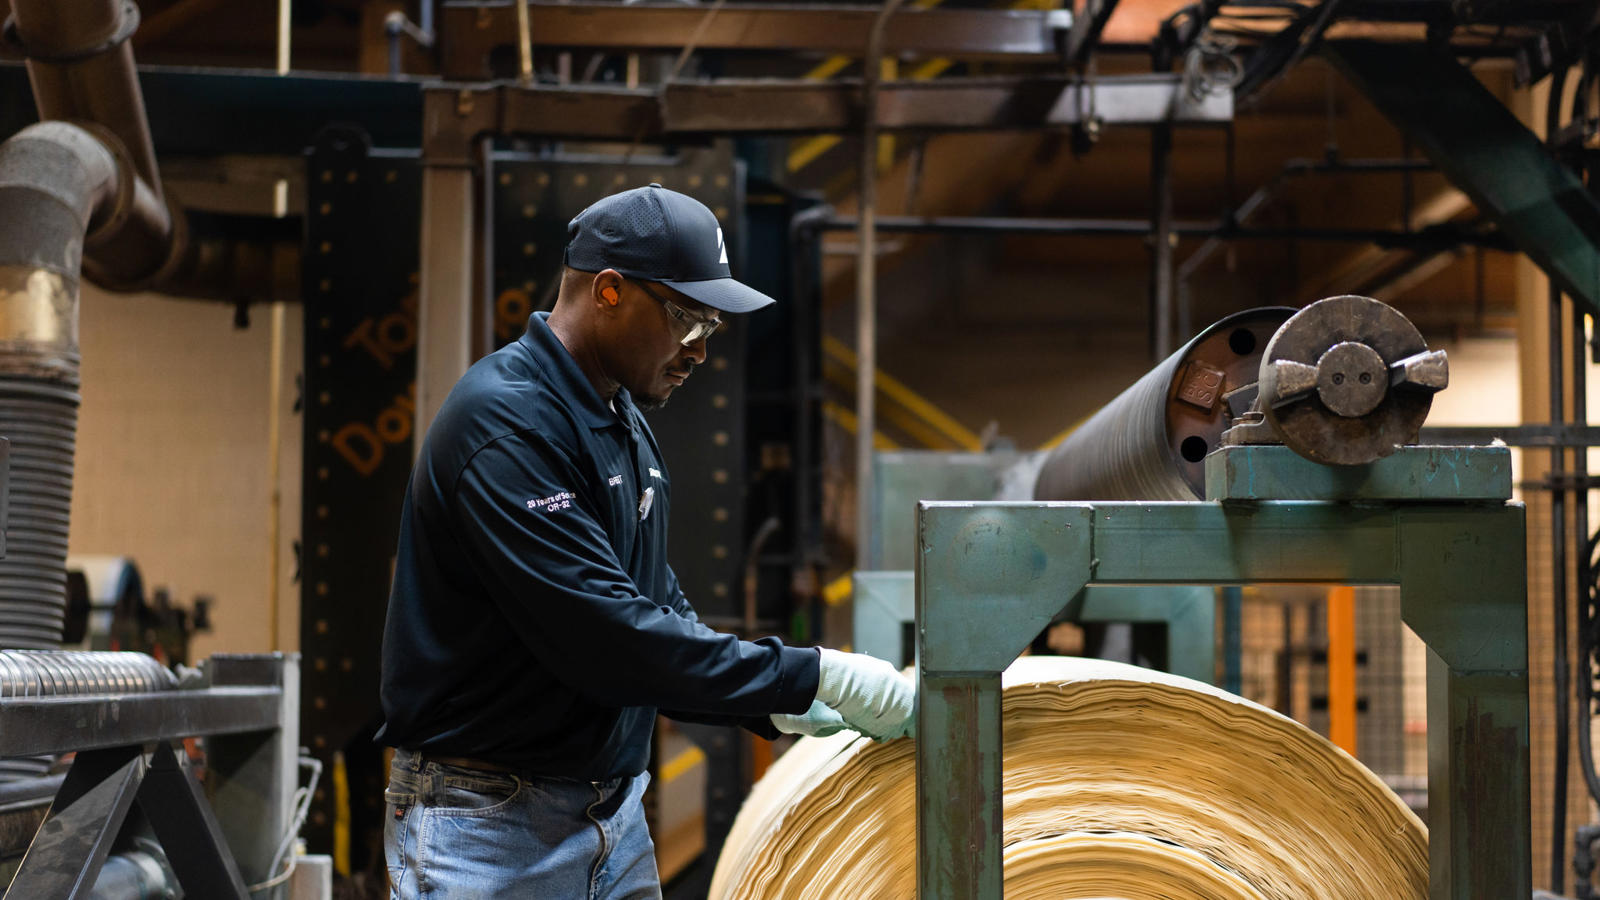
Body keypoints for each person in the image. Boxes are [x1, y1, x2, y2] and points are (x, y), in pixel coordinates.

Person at [378, 184, 915, 899]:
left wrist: (770, 704)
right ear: (607, 290)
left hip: (612, 818)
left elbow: (654, 604)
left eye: (711, 328)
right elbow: (608, 639)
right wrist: (811, 674)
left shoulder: (620, 422)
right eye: (686, 319)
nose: (698, 351)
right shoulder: (505, 426)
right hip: (489, 826)